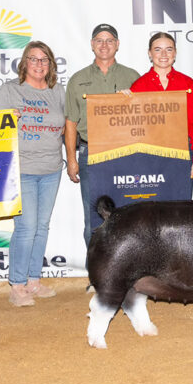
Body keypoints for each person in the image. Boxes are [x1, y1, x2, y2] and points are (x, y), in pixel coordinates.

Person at [0, 41, 65, 307]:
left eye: (44, 59)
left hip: (52, 168)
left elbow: (68, 124)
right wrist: (6, 118)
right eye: (33, 59)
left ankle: (34, 279)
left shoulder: (58, 91)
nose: (39, 64)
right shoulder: (10, 90)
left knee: (42, 226)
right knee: (26, 227)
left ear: (51, 64)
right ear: (24, 63)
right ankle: (17, 284)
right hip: (21, 168)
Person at [65, 24, 139, 247]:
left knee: (127, 214)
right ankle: (96, 277)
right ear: (91, 45)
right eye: (99, 40)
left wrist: (133, 100)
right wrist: (71, 159)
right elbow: (70, 123)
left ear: (117, 45)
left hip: (126, 153)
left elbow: (144, 117)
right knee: (94, 218)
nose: (104, 45)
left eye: (109, 40)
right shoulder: (78, 80)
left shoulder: (133, 77)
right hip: (92, 152)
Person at [130, 32, 193, 183]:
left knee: (181, 205)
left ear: (175, 53)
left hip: (182, 155)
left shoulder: (188, 84)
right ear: (150, 54)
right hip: (148, 157)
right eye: (158, 49)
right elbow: (132, 127)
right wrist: (122, 100)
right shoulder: (139, 86)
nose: (164, 54)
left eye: (169, 49)